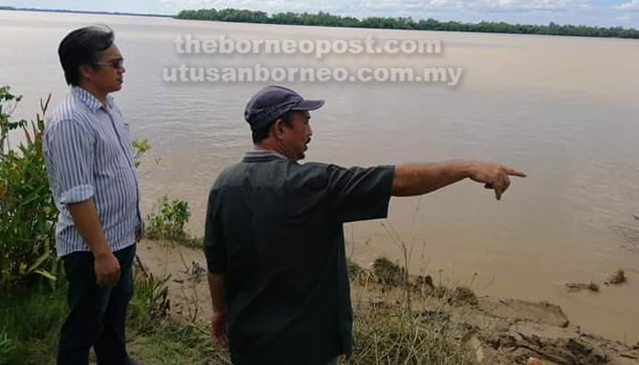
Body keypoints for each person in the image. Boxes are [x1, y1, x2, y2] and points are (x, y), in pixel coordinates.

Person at [204, 85, 526, 365]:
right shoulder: (313, 183)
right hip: (305, 349)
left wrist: (219, 311)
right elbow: (396, 180)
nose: (311, 132)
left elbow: (216, 262)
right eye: (306, 122)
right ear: (280, 129)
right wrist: (467, 167)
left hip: (248, 342)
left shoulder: (223, 185)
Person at [43, 25, 142, 365]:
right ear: (86, 70)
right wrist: (101, 253)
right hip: (92, 250)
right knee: (84, 327)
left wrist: (134, 221)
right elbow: (76, 196)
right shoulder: (71, 121)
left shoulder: (107, 107)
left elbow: (118, 171)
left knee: (112, 323)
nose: (122, 69)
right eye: (114, 63)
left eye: (121, 62)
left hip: (120, 238)